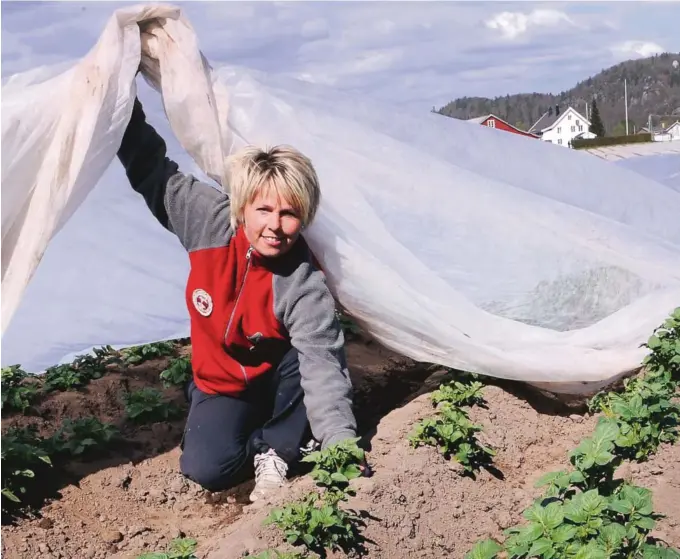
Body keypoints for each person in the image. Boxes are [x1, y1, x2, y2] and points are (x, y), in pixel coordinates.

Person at [117, 96, 359, 502]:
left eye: (290, 213)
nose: (275, 226)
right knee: (207, 469)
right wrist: (121, 102)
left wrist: (340, 445)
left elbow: (323, 367)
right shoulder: (206, 220)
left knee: (304, 371)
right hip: (221, 382)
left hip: (282, 379)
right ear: (242, 206)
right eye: (265, 209)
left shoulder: (303, 282)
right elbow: (152, 170)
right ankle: (278, 435)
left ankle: (278, 448)